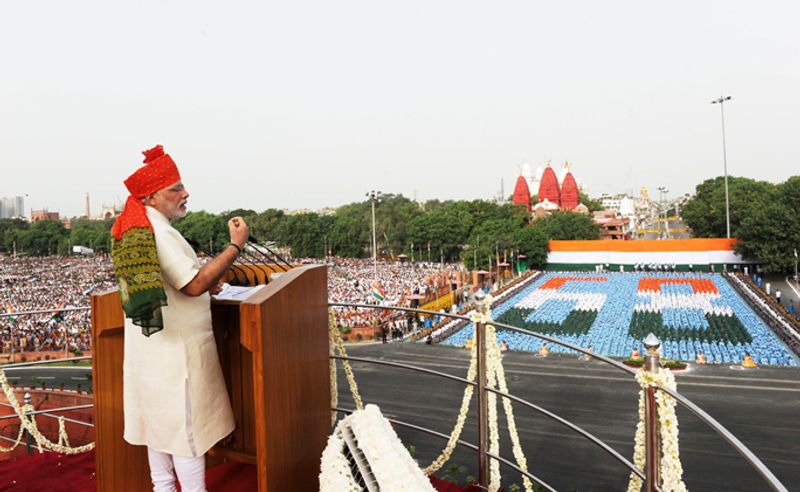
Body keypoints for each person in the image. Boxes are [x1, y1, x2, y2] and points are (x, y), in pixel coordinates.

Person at [111, 145, 248, 492]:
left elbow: (179, 283)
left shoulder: (140, 228)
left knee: (159, 430)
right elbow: (192, 285)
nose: (185, 194)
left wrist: (206, 281)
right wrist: (235, 246)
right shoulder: (159, 232)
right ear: (152, 197)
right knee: (186, 434)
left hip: (153, 355)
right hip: (176, 357)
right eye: (176, 188)